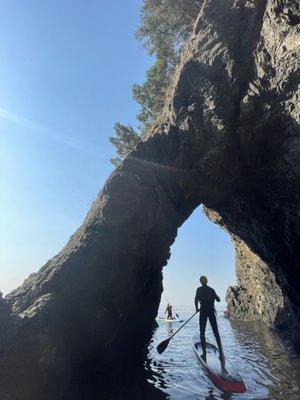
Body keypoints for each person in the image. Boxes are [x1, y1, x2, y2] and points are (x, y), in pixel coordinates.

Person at [194, 276, 225, 364]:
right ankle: (221, 353)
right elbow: (218, 300)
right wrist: (214, 296)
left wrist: (196, 308)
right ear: (207, 281)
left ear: (200, 282)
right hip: (211, 311)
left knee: (202, 331)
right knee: (216, 332)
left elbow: (195, 300)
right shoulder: (211, 289)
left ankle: (204, 353)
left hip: (203, 311)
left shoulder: (199, 289)